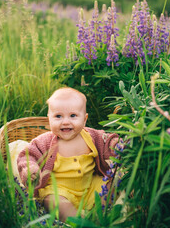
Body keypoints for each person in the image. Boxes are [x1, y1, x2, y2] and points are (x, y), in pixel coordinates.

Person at [17, 87, 120, 221]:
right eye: (58, 116)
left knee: (115, 180)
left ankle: (99, 213)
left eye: (73, 116)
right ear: (49, 119)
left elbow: (107, 141)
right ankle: (78, 221)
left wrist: (117, 145)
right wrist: (30, 169)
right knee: (53, 202)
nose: (65, 121)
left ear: (84, 119)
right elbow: (28, 155)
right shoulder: (45, 141)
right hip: (59, 191)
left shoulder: (91, 136)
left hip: (89, 187)